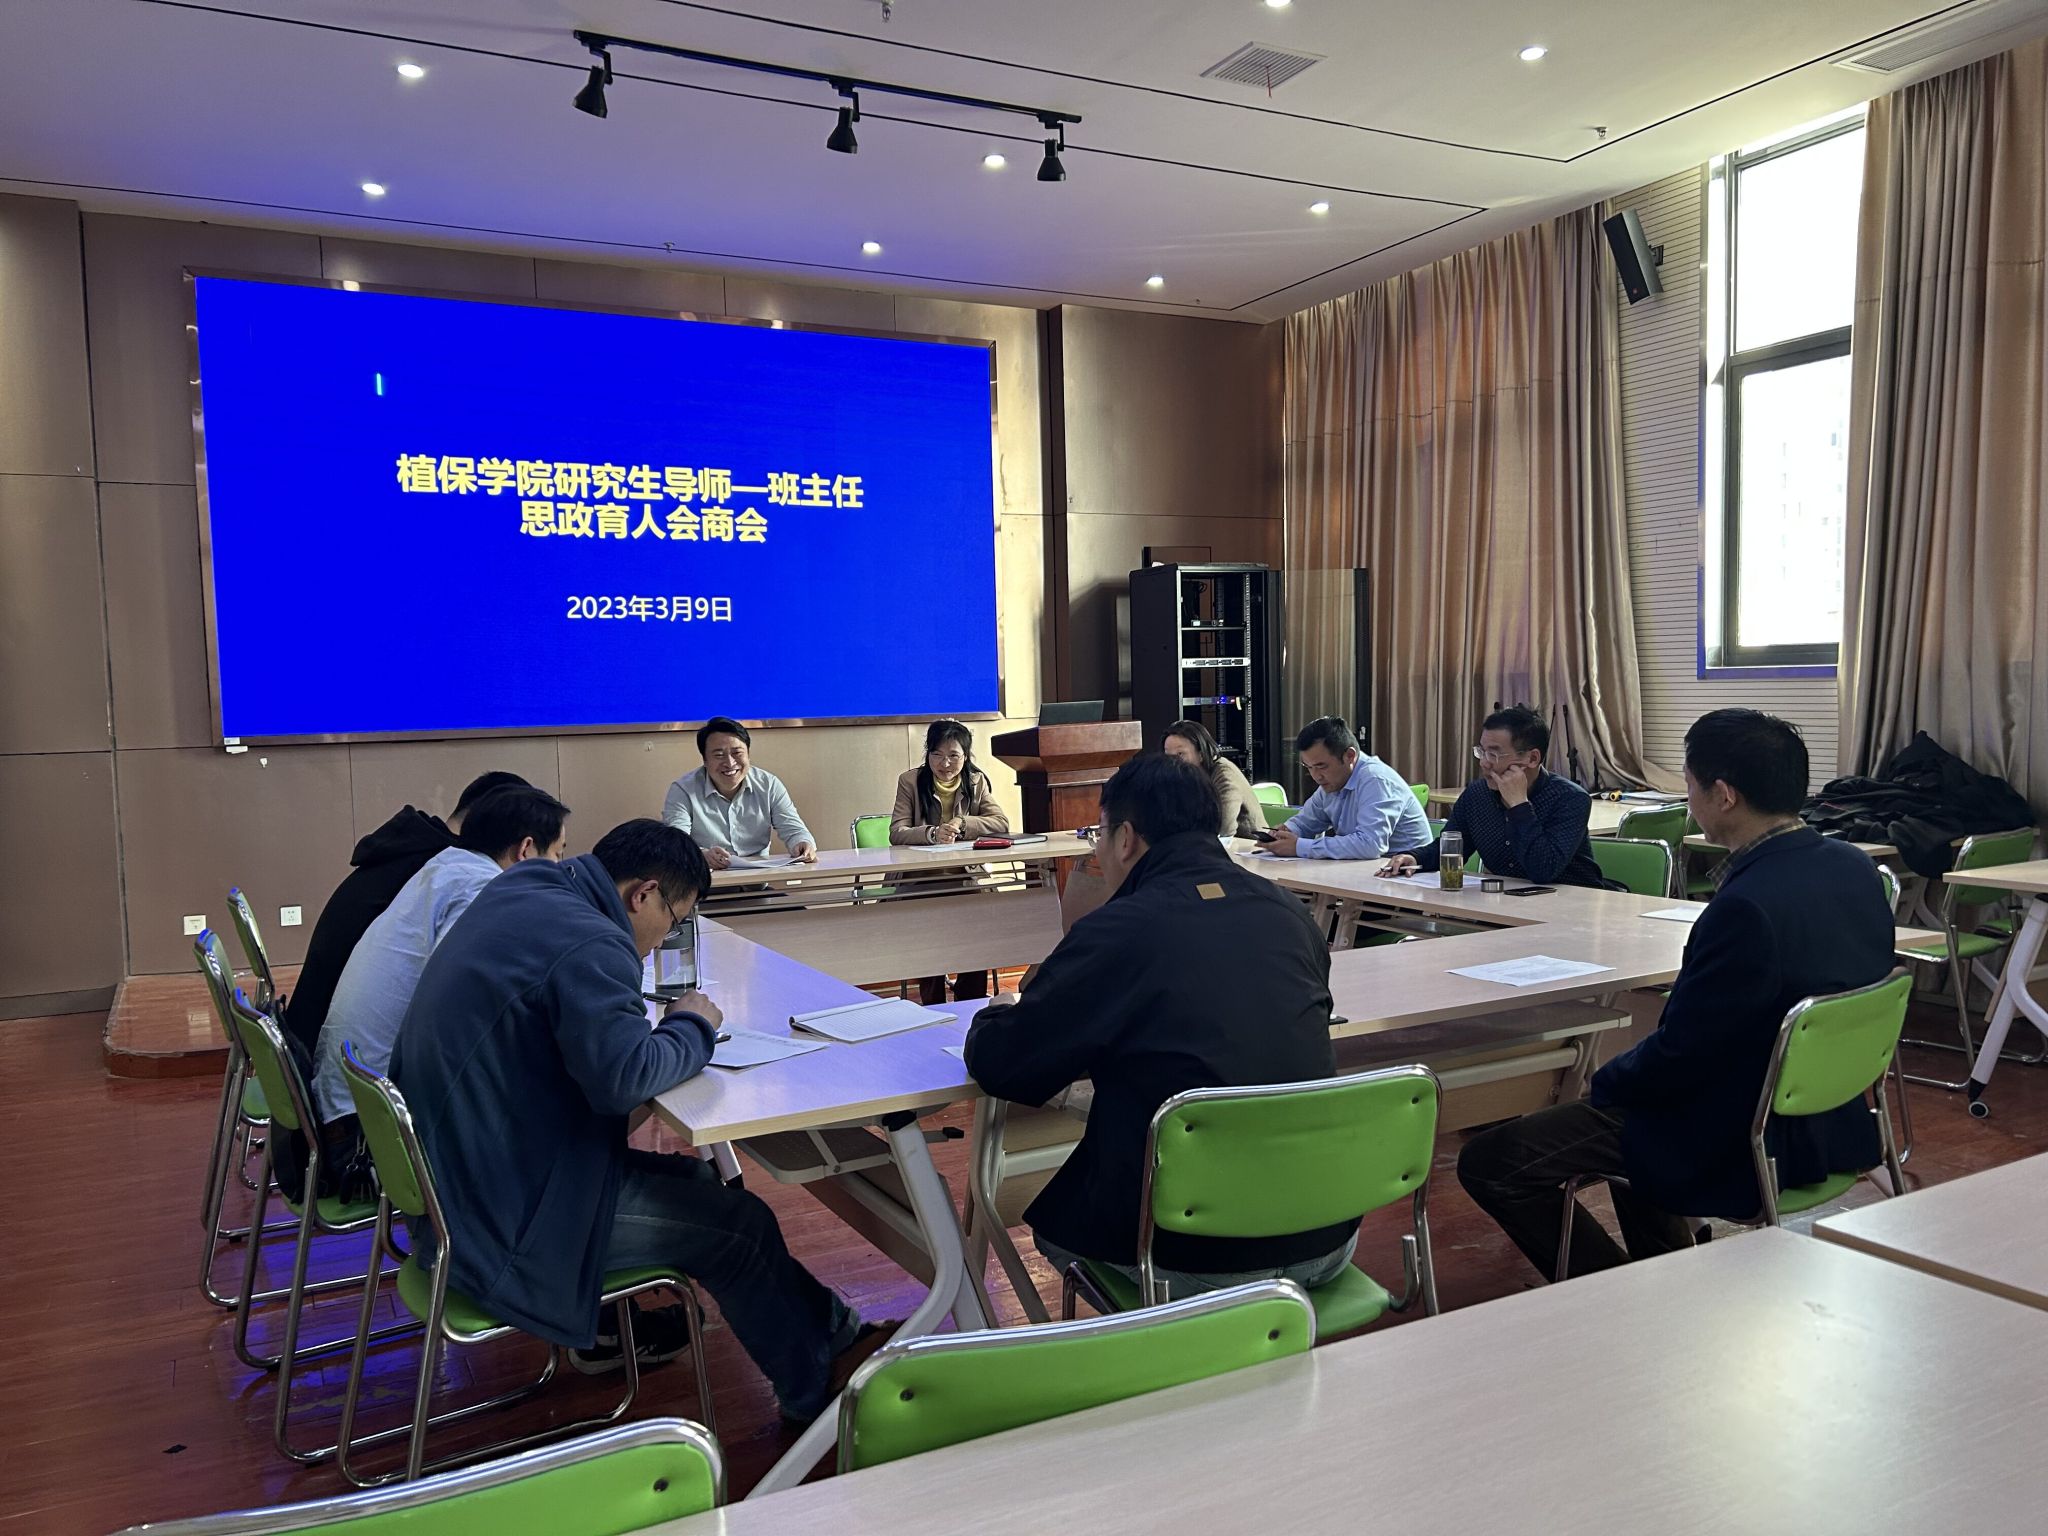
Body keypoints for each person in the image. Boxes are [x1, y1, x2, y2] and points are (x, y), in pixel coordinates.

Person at [391, 818, 882, 1411]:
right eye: (674, 921)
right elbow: (624, 1080)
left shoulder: (526, 888)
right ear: (642, 894)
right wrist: (693, 1023)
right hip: (501, 1220)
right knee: (738, 1227)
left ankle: (834, 1335)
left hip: (459, 1184)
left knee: (703, 1182)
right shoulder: (592, 940)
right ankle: (818, 1397)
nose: (663, 940)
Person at [1456, 709, 1895, 1280]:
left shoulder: (1744, 908)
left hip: (1738, 1132)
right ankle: (1662, 1274)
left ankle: (1614, 1291)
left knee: (1492, 1159)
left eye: (1689, 786)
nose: (1688, 801)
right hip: (1831, 1114)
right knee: (1633, 1106)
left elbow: (1682, 1054)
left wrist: (1605, 1081)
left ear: (1724, 795)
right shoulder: (1856, 868)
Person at [964, 754, 1357, 1298]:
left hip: (1191, 1253)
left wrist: (998, 1010)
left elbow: (1003, 1064)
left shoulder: (1119, 931)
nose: (1097, 851)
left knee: (1060, 1217)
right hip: (1327, 1231)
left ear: (1125, 838)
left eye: (1098, 835)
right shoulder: (1290, 914)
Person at [310, 785, 570, 1130]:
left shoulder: (445, 866)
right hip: (367, 1121)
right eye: (557, 854)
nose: (560, 868)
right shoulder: (479, 888)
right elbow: (462, 1012)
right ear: (526, 849)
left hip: (352, 1091)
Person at [285, 770, 530, 1056]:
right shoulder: (449, 872)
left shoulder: (408, 850)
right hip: (335, 1053)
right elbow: (461, 998)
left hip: (313, 1037)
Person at [1377, 706, 1609, 890]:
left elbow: (1542, 870)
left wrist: (1519, 805)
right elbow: (1453, 846)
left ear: (1532, 758)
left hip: (1571, 908)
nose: (1484, 763)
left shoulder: (1570, 799)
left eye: (1494, 754)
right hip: (1507, 904)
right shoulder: (1477, 795)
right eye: (1481, 751)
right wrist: (1414, 857)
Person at [889, 719, 1011, 1005]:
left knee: (980, 921)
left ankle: (971, 1000)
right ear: (928, 754)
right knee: (926, 928)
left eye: (954, 755)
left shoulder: (976, 781)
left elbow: (1000, 822)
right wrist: (932, 833)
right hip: (919, 880)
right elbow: (897, 831)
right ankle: (933, 1004)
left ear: (965, 756)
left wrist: (962, 823)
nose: (945, 764)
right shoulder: (910, 781)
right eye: (937, 755)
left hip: (964, 878)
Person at [1264, 716, 1431, 861]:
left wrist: (1299, 847)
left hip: (1407, 875)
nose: (1316, 776)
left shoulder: (1375, 779)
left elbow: (1370, 845)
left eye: (1321, 766)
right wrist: (1286, 832)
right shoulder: (1332, 783)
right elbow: (1306, 823)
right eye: (1308, 767)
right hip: (1369, 872)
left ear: (1349, 756)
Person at [661, 716, 817, 869]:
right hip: (706, 881)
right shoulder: (683, 790)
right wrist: (701, 855)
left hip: (757, 879)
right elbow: (675, 843)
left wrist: (802, 843)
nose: (730, 763)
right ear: (705, 761)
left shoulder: (768, 785)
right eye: (719, 755)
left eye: (737, 753)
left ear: (748, 755)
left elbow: (794, 829)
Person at [1162, 719, 1262, 840]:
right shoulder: (1183, 778)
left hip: (1250, 845)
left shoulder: (1224, 774)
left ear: (1201, 754)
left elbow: (1224, 828)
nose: (1172, 762)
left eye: (1180, 754)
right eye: (1167, 755)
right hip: (1208, 844)